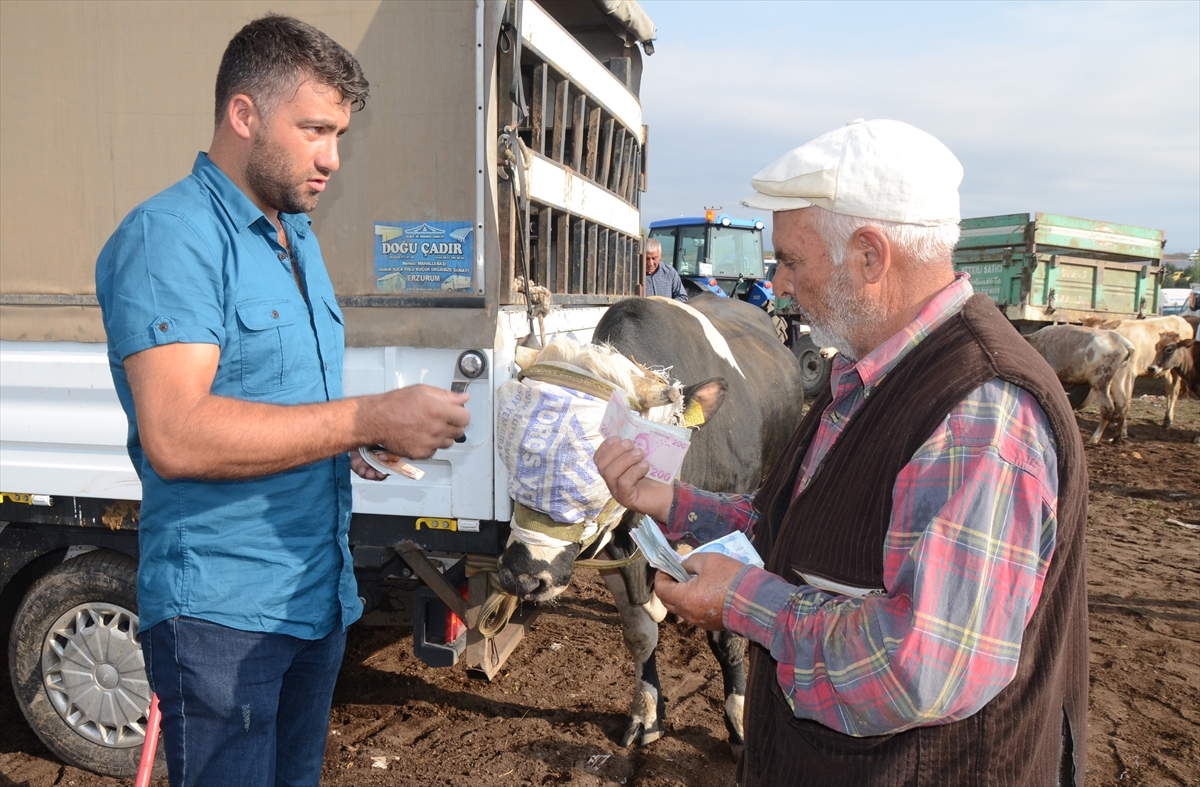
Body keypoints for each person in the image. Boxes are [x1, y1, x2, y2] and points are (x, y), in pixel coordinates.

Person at [594, 119, 1088, 786]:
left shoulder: (978, 411)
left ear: (869, 256)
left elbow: (914, 668)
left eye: (792, 261)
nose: (780, 283)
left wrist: (743, 600)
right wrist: (671, 502)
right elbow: (799, 526)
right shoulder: (866, 372)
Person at [94, 15, 470, 786]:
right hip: (221, 616)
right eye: (315, 131)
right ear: (244, 114)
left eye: (339, 135)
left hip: (313, 598)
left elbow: (274, 400)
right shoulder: (172, 236)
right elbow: (177, 432)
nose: (332, 157)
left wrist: (350, 439)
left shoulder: (295, 236)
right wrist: (367, 415)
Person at [642, 237, 688, 301]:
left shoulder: (670, 272)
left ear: (660, 255)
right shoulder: (635, 276)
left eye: (654, 258)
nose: (650, 263)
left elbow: (682, 297)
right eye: (647, 259)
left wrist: (667, 305)